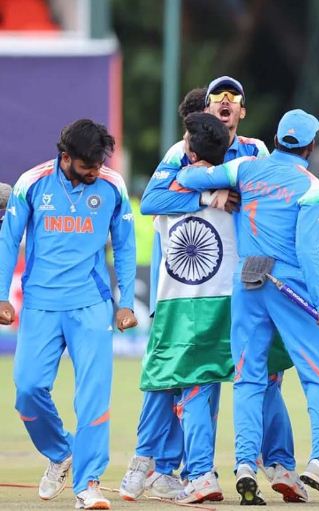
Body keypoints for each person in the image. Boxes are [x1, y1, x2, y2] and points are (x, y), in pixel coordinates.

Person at [123, 77, 303, 504]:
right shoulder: (182, 154)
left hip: (232, 287)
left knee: (217, 380)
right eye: (216, 99)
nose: (225, 103)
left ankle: (247, 466)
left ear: (242, 110)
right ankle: (164, 466)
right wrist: (209, 196)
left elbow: (270, 198)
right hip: (207, 291)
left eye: (232, 98)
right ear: (206, 111)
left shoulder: (252, 153)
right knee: (202, 380)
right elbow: (152, 202)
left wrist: (211, 184)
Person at [176, 109, 319, 505]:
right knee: (317, 377)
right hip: (291, 286)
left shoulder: (246, 168)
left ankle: (245, 465)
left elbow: (189, 178)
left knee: (248, 378)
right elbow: (308, 252)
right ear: (311, 146)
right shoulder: (311, 187)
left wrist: (206, 182)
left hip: (249, 281)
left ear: (276, 140)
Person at [0, 119, 137, 510]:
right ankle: (61, 453)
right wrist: (1, 296)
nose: (95, 172)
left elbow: (125, 245)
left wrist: (126, 301)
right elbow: (8, 240)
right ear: (65, 158)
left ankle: (88, 484)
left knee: (92, 397)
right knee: (28, 391)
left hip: (90, 304)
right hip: (41, 304)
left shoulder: (111, 185)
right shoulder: (32, 183)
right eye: (87, 166)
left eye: (99, 164)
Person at [142, 112, 234, 504]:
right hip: (228, 299)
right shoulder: (236, 182)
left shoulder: (177, 181)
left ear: (190, 150)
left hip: (182, 302)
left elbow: (150, 202)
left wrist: (197, 193)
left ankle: (196, 473)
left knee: (186, 385)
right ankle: (232, 466)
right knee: (207, 386)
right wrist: (210, 197)